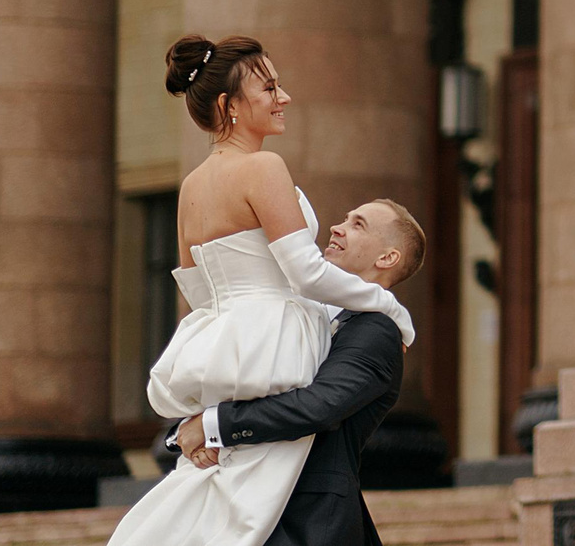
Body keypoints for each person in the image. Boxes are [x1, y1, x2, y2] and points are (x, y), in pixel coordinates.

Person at [106, 36, 416, 546]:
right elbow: (307, 274)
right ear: (229, 107)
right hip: (273, 337)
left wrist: (205, 408)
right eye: (269, 87)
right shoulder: (263, 167)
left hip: (231, 339)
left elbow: (198, 293)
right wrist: (390, 306)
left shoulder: (191, 186)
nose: (284, 96)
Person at [168, 199, 423, 546]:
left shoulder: (377, 331)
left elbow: (319, 406)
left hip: (307, 522)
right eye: (344, 217)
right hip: (237, 503)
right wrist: (190, 430)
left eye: (358, 224)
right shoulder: (304, 313)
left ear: (387, 258)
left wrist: (215, 425)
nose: (337, 227)